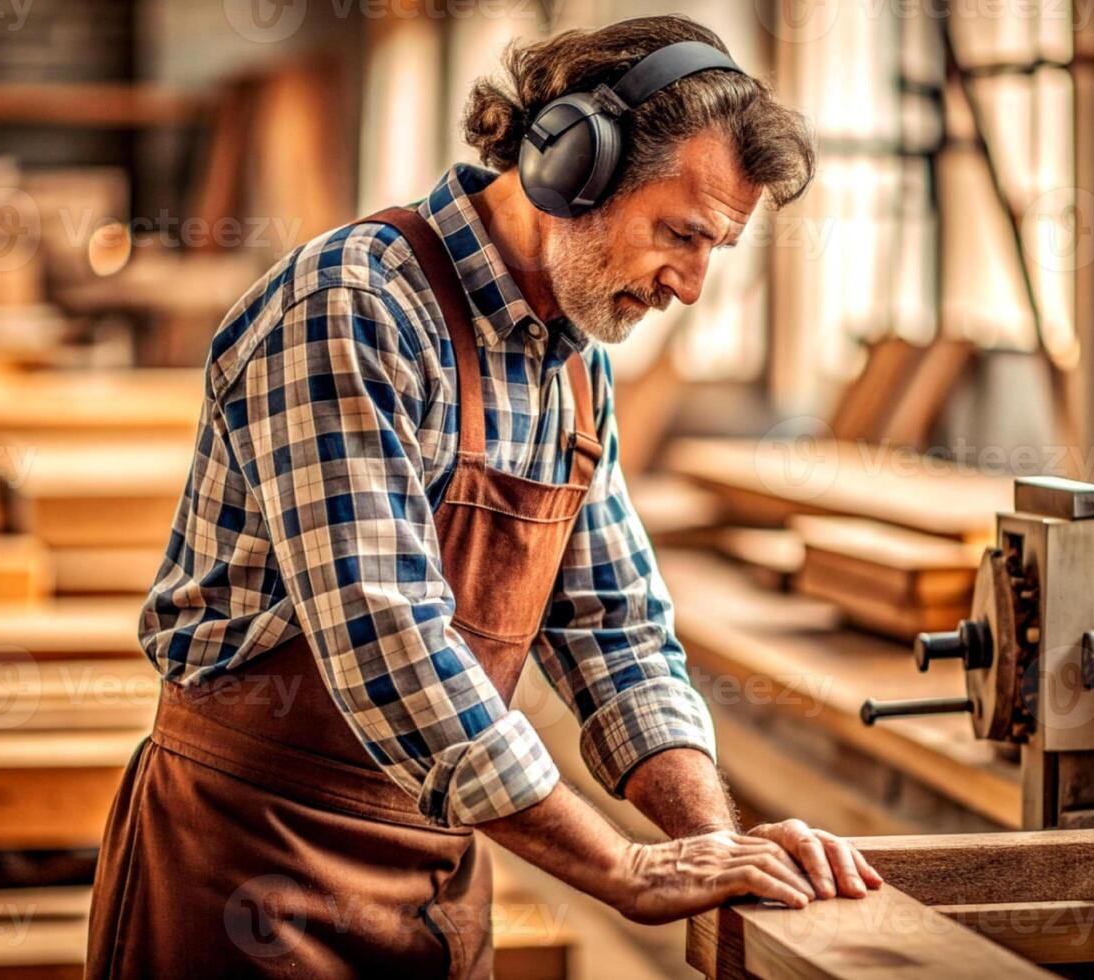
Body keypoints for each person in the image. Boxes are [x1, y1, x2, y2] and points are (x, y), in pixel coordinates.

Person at [87, 15, 881, 978]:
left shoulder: (572, 366)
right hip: (252, 869)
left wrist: (712, 839)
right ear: (571, 169)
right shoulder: (353, 309)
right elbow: (389, 635)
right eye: (680, 234)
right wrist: (621, 866)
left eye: (715, 248)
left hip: (438, 875)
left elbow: (616, 631)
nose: (691, 286)